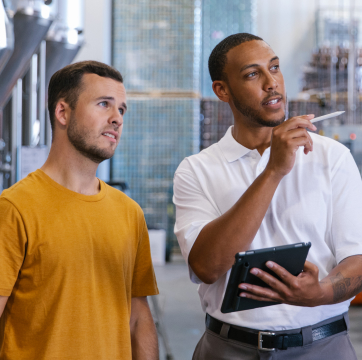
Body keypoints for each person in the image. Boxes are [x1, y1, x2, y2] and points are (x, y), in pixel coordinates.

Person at [173, 33, 362, 360]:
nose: (271, 82)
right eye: (252, 74)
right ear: (222, 90)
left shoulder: (332, 157)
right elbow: (206, 266)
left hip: (323, 347)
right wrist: (273, 170)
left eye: (274, 68)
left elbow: (357, 259)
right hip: (228, 348)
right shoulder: (196, 170)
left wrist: (321, 293)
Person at [0, 61, 159, 360]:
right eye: (104, 105)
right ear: (63, 112)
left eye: (122, 110)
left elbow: (138, 317)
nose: (117, 119)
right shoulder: (15, 208)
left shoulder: (129, 213)